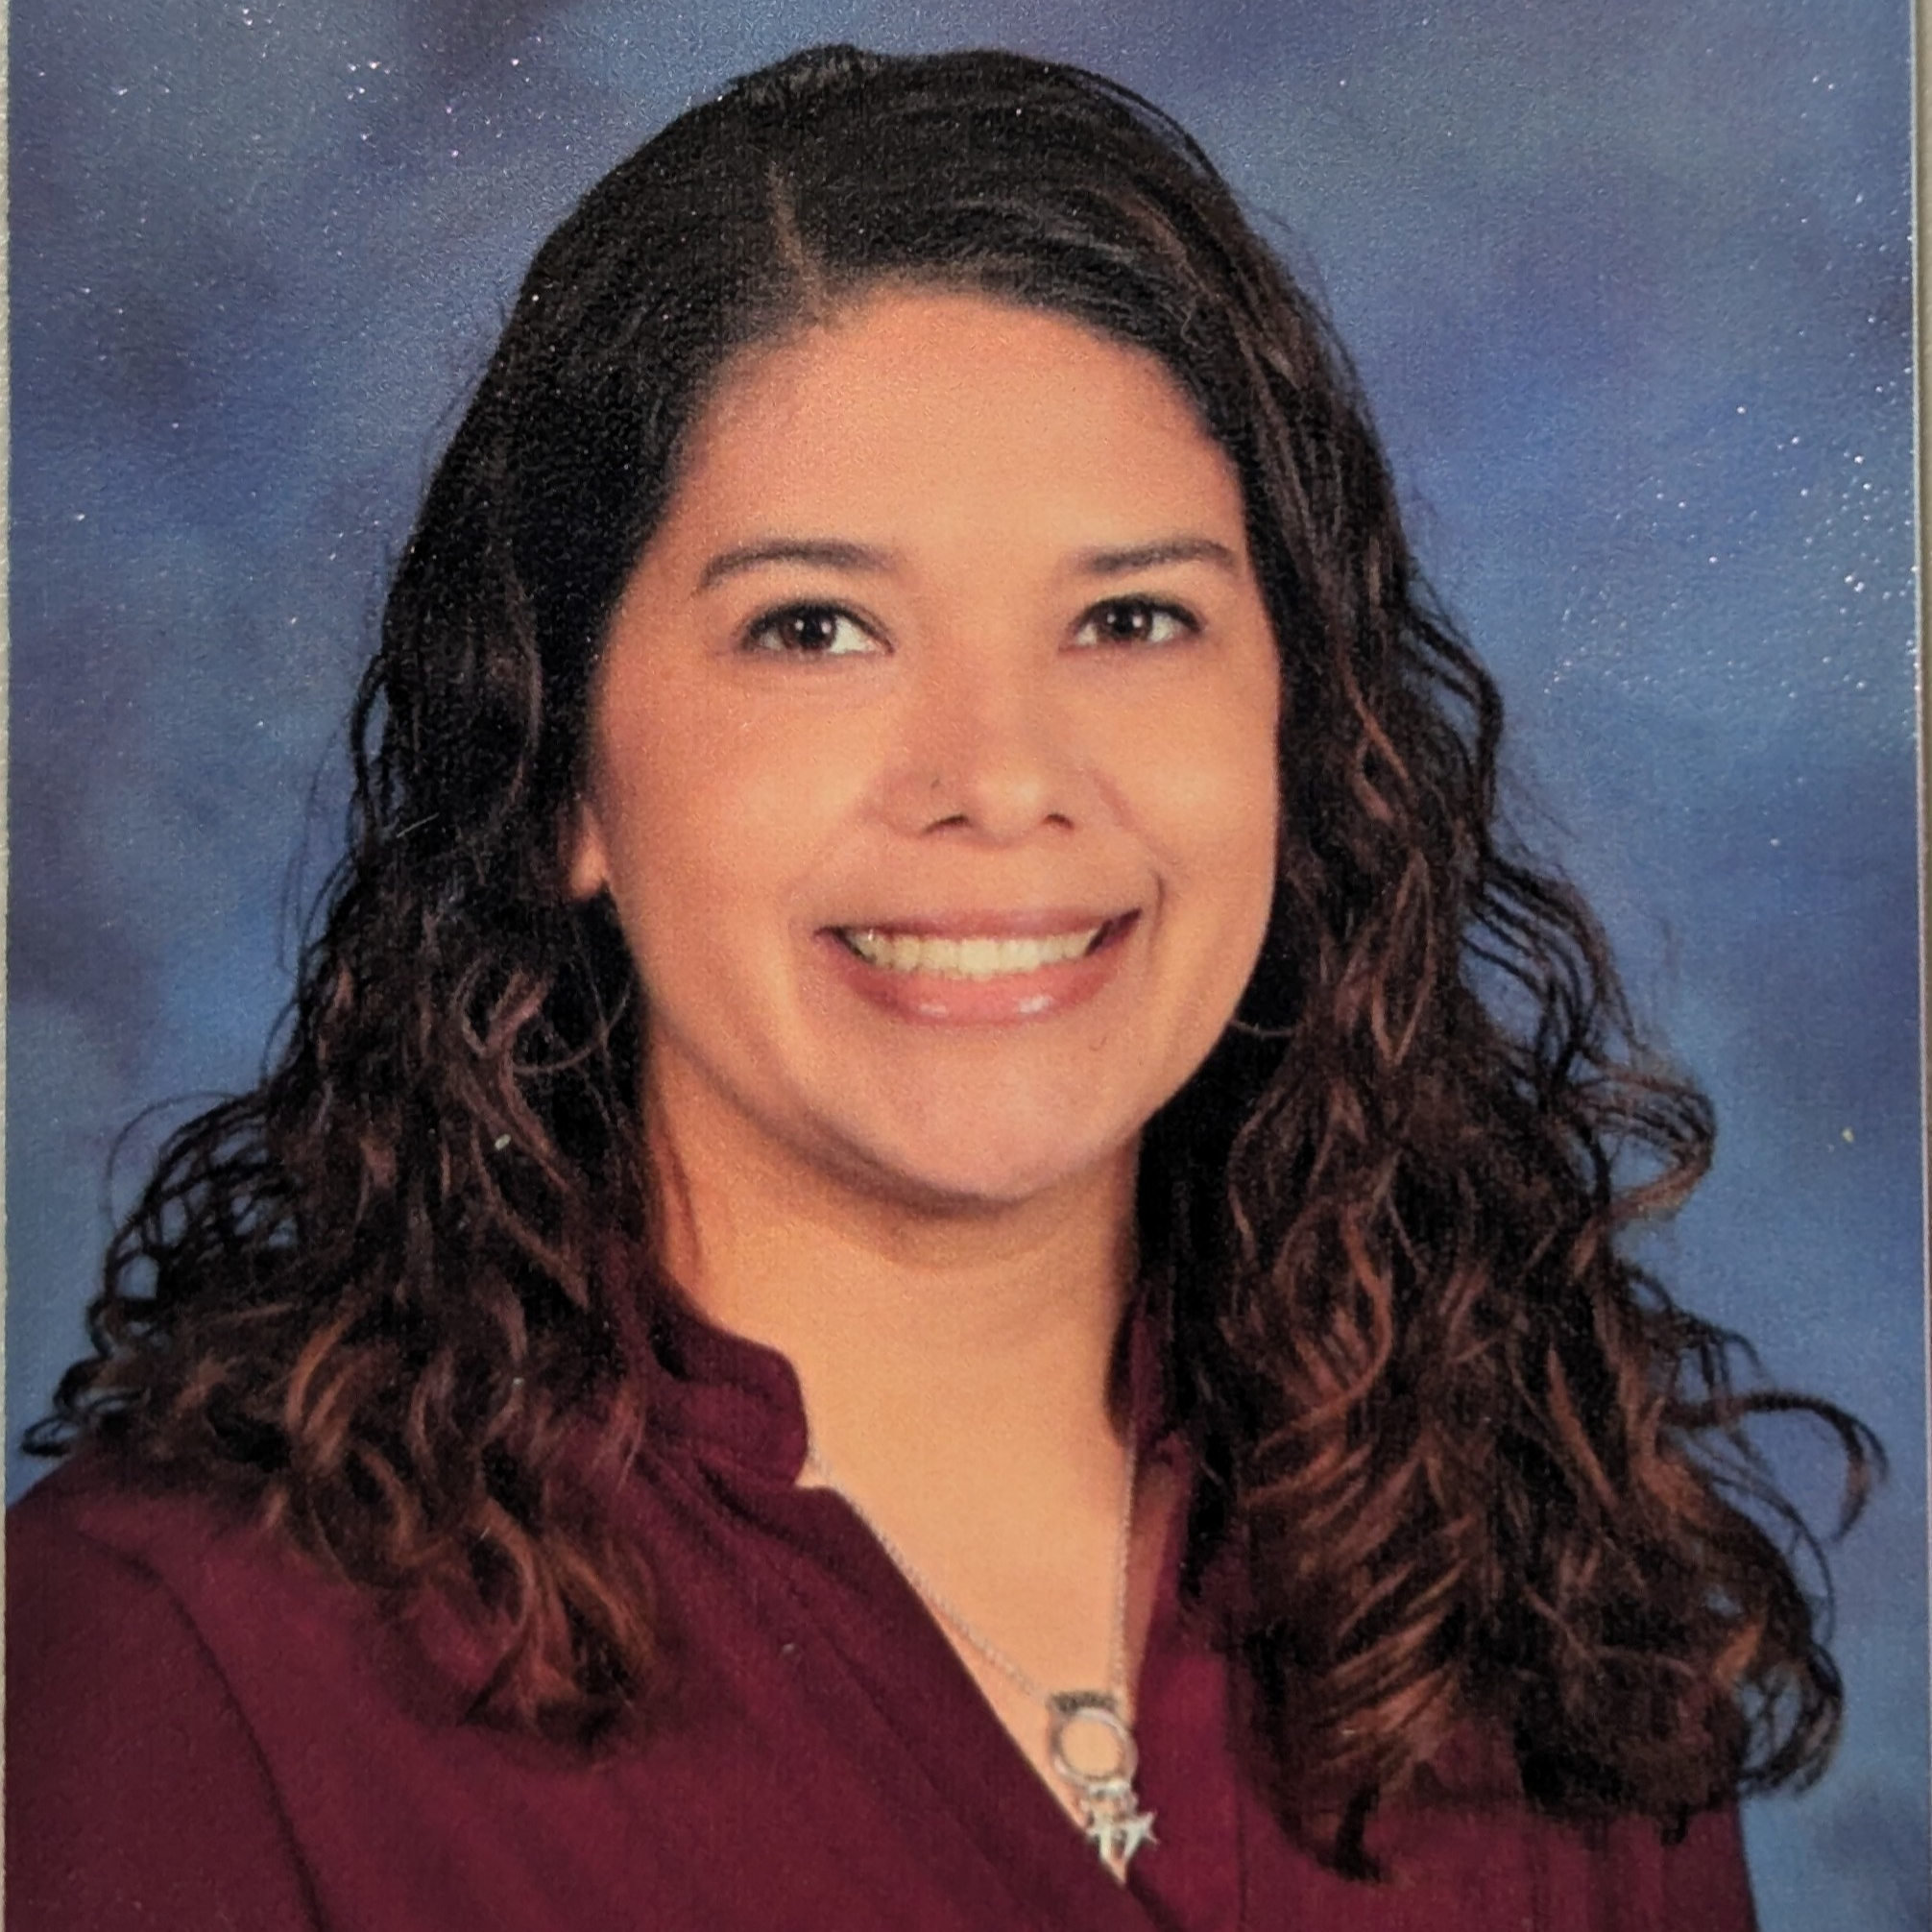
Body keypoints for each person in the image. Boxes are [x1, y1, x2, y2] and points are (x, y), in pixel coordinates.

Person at [8, 43, 1871, 1930]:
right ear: (563, 766)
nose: (997, 772)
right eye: (816, 627)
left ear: (1299, 734)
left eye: (1130, 617)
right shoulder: (192, 1655)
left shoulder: (1536, 1596)